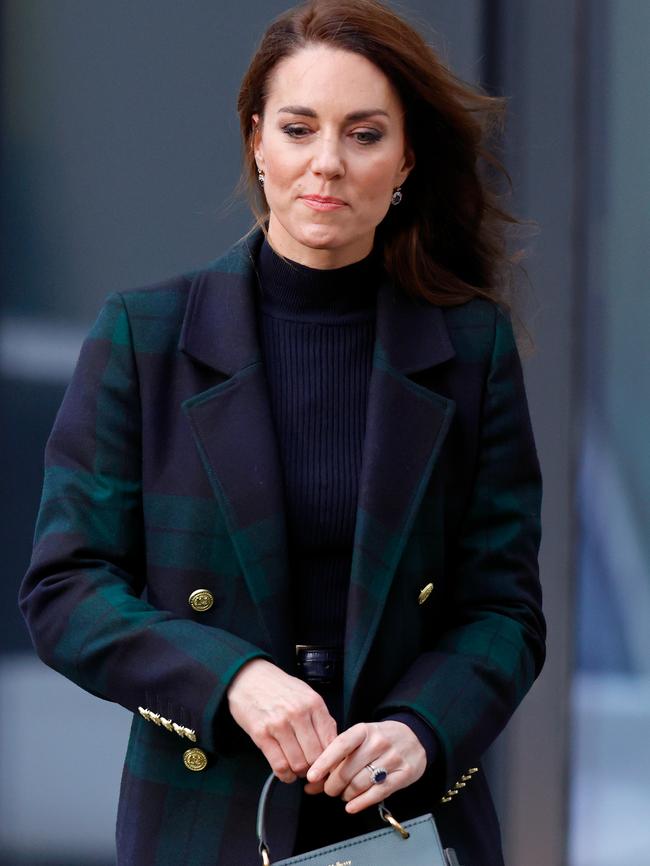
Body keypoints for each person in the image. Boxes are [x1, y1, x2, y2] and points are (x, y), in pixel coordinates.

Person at [19, 1, 545, 864]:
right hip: (204, 813)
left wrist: (422, 725)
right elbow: (66, 588)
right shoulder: (144, 335)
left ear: (406, 156)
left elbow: (504, 609)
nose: (327, 165)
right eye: (299, 129)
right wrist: (232, 680)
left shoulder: (468, 347)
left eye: (364, 134)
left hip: (399, 818)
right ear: (257, 139)